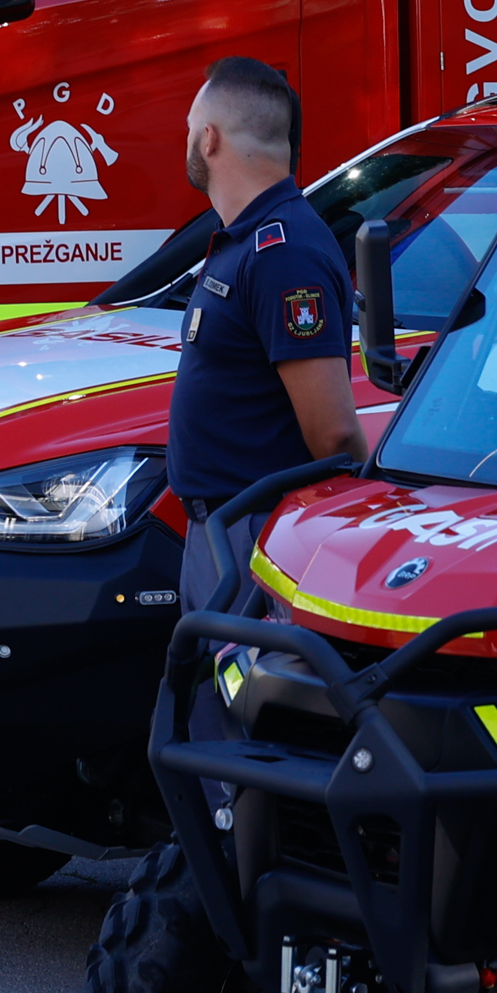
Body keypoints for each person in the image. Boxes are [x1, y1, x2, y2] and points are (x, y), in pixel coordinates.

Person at [166, 56, 364, 614]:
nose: (186, 140)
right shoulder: (250, 241)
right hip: (226, 530)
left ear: (209, 139)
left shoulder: (284, 252)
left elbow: (332, 435)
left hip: (254, 536)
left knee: (240, 694)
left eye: (189, 128)